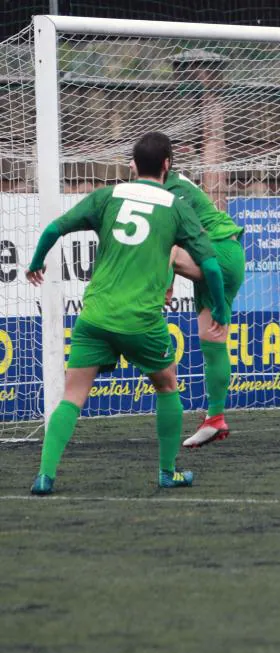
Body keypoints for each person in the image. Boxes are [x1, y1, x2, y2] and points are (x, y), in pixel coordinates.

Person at [26, 132, 228, 495]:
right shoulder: (176, 206)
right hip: (141, 322)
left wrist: (36, 262)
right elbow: (211, 267)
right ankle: (168, 472)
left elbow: (55, 228)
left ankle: (45, 476)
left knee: (72, 396)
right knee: (167, 384)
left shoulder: (108, 197)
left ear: (133, 164)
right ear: (167, 164)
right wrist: (222, 309)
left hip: (95, 317)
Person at [160, 169, 245, 449]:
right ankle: (215, 419)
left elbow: (170, 243)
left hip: (219, 252)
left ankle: (151, 322)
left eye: (135, 163)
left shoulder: (171, 189)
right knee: (213, 340)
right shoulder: (175, 183)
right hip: (224, 254)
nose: (132, 169)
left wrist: (167, 287)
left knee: (164, 251)